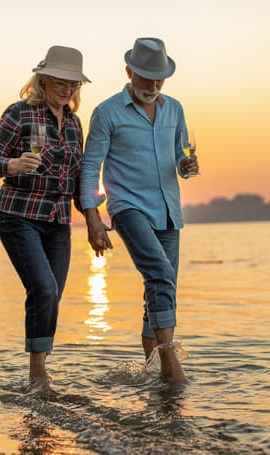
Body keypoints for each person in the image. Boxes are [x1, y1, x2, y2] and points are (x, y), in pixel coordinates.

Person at [79, 37, 198, 385]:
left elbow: (181, 155)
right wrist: (92, 218)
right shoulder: (107, 112)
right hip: (128, 208)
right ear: (129, 71)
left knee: (158, 285)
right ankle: (171, 366)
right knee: (161, 275)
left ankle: (150, 372)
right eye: (146, 77)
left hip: (168, 211)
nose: (154, 85)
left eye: (159, 78)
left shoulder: (174, 108)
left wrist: (187, 165)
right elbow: (90, 168)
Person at [0, 45, 89, 394]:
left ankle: (42, 372)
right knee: (42, 287)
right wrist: (10, 165)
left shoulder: (73, 124)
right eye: (60, 81)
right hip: (18, 215)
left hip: (58, 221)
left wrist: (94, 220)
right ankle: (37, 375)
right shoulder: (19, 114)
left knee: (52, 294)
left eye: (73, 83)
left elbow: (77, 178)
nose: (67, 88)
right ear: (43, 79)